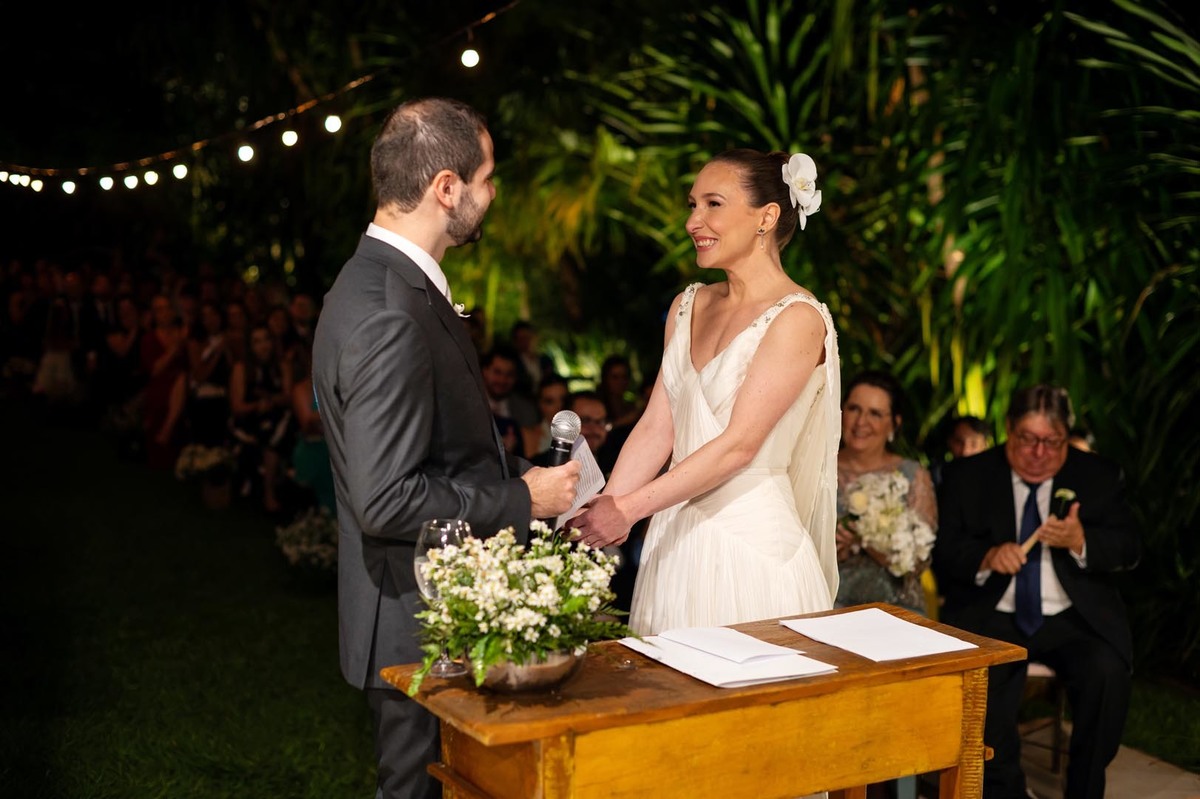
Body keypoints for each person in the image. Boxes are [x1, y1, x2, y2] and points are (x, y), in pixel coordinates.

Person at [310, 96, 580, 799]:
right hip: (415, 621)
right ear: (446, 187)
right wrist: (523, 497)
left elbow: (422, 451)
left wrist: (510, 467)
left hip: (420, 609)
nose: (492, 195)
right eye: (487, 178)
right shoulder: (389, 312)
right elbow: (385, 497)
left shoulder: (378, 281)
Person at [569, 148, 840, 635]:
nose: (694, 221)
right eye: (692, 205)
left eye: (713, 204)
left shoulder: (798, 318)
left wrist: (630, 509)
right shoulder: (686, 305)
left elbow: (740, 445)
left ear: (767, 217)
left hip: (753, 552)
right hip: (673, 542)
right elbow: (656, 427)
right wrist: (601, 517)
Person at [932, 385, 1140, 799]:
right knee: (985, 691)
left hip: (1071, 616)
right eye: (1028, 439)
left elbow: (1130, 548)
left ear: (1066, 437)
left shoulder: (1097, 475)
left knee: (1106, 672)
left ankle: (1085, 786)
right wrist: (987, 556)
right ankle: (1005, 790)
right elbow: (944, 552)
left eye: (1052, 442)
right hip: (995, 612)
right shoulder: (967, 476)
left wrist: (1082, 541)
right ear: (1009, 430)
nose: (1039, 453)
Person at [834, 370, 937, 616]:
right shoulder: (815, 469)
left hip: (897, 607)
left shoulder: (912, 476)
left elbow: (917, 562)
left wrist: (866, 540)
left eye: (875, 414)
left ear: (894, 424)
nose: (861, 422)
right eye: (854, 409)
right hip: (829, 603)